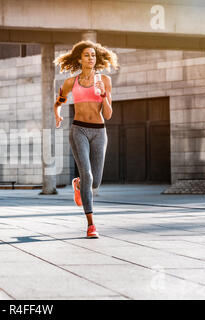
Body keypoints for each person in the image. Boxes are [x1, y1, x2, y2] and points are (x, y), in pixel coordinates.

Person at [53, 40, 119, 239]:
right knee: (88, 175)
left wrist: (104, 95)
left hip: (99, 132)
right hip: (79, 130)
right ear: (79, 59)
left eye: (93, 55)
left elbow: (108, 115)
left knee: (95, 182)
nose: (91, 58)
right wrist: (57, 113)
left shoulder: (105, 80)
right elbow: (58, 102)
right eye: (87, 55)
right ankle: (91, 224)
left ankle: (79, 184)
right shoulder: (70, 82)